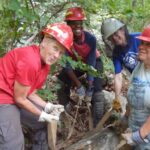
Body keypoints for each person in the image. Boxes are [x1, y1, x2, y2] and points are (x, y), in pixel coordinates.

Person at [0, 22, 73, 150]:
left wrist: (47, 106)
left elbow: (29, 92)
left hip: (15, 95)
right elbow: (20, 99)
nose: (57, 55)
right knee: (13, 143)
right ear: (44, 42)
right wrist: (42, 114)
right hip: (3, 97)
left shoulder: (44, 64)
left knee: (42, 123)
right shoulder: (31, 60)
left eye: (61, 53)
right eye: (55, 48)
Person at [57, 7, 105, 128]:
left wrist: (90, 84)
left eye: (79, 24)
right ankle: (66, 111)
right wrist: (78, 85)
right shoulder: (65, 40)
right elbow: (67, 65)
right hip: (75, 64)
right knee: (61, 82)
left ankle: (97, 122)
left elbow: (91, 62)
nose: (77, 27)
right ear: (68, 25)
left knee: (96, 89)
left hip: (93, 63)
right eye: (73, 24)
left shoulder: (90, 39)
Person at [101, 18, 141, 110]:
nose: (114, 38)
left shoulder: (138, 38)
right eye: (111, 36)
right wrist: (117, 98)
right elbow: (118, 76)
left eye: (116, 33)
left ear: (122, 30)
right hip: (138, 82)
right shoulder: (116, 52)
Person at [121, 26, 150, 150]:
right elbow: (132, 94)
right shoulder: (139, 67)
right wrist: (126, 117)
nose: (141, 47)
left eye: (147, 44)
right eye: (141, 43)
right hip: (134, 132)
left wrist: (140, 134)